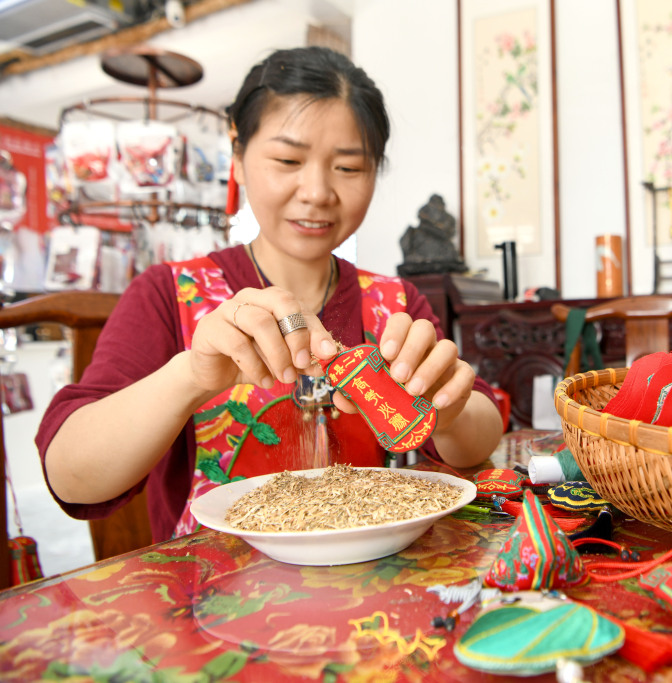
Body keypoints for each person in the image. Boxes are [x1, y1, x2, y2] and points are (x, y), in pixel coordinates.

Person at [36, 46, 504, 542]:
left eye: (348, 168)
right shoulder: (169, 294)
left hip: (372, 593)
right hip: (211, 599)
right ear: (237, 158)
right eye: (287, 159)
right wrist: (190, 377)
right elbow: (71, 477)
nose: (318, 191)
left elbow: (481, 435)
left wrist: (448, 412)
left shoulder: (395, 302)